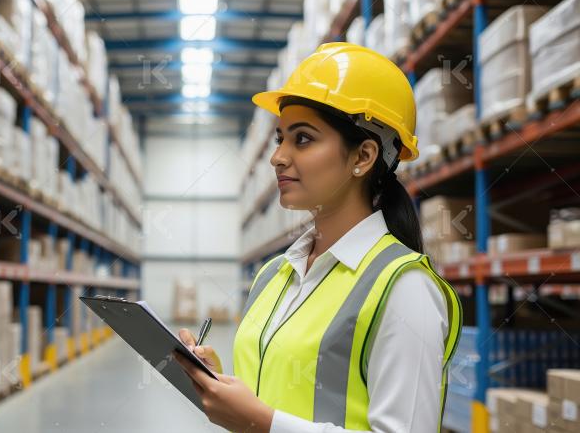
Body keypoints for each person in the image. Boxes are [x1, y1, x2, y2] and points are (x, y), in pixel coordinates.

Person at [173, 42, 463, 433]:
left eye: (303, 139)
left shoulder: (403, 289)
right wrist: (219, 387)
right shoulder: (274, 275)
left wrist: (259, 422)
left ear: (363, 156)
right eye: (280, 139)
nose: (278, 157)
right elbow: (280, 392)